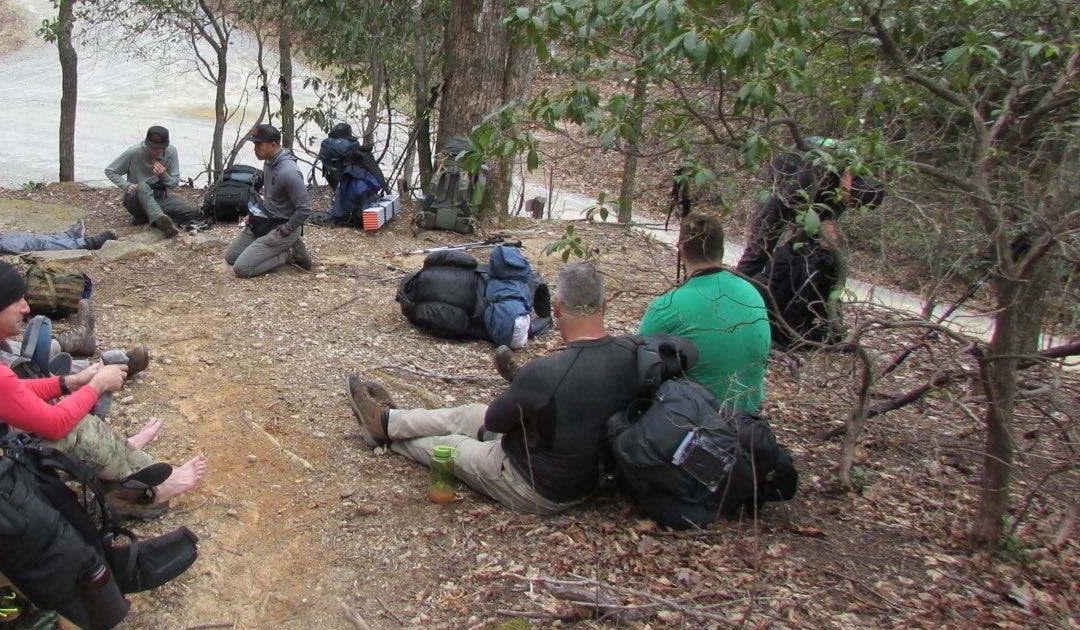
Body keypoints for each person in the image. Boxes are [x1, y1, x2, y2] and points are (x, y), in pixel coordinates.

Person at [347, 263, 695, 515]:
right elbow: (690, 351)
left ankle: (387, 440)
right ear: (604, 306)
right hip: (585, 474)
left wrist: (524, 392)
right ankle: (389, 421)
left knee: (450, 446)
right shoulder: (635, 355)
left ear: (556, 309)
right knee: (469, 414)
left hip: (535, 485)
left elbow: (496, 423)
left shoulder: (548, 372)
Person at [0, 260, 205, 514]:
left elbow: (10, 391)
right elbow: (55, 425)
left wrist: (69, 382)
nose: (26, 308)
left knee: (60, 407)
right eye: (17, 300)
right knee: (74, 429)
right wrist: (97, 385)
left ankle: (121, 457)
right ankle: (156, 487)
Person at [639, 215, 771, 414]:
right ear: (722, 250)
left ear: (681, 250)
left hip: (700, 419)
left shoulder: (667, 306)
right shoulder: (751, 291)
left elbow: (638, 370)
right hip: (749, 414)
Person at [735, 143, 884, 281]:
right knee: (760, 248)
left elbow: (836, 207)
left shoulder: (860, 178)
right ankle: (737, 286)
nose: (846, 205)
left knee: (806, 251)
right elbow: (786, 202)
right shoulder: (820, 169)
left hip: (817, 191)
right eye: (849, 201)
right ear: (847, 187)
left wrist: (829, 222)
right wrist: (804, 223)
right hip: (787, 179)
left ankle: (779, 284)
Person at [224, 123, 313, 277]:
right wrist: (253, 215)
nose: (255, 149)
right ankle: (267, 248)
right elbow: (271, 199)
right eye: (255, 144)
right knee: (231, 257)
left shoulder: (289, 172)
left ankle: (290, 253)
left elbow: (305, 209)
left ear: (273, 145)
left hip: (282, 228)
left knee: (242, 269)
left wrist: (284, 231)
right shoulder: (269, 163)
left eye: (258, 144)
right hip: (265, 221)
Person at [105, 125, 201, 238]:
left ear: (165, 147)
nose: (154, 151)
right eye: (151, 148)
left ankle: (147, 218)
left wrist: (163, 175)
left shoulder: (171, 152)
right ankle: (160, 222)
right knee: (143, 186)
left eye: (158, 149)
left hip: (158, 199)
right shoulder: (134, 152)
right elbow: (110, 170)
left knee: (192, 212)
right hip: (136, 199)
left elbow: (174, 183)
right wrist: (126, 185)